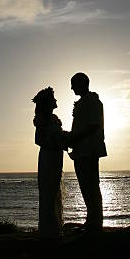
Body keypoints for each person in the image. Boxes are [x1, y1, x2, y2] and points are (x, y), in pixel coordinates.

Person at [69, 72, 107, 231]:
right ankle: (92, 219)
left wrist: (75, 138)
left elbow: (93, 125)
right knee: (86, 185)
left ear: (82, 84)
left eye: (73, 84)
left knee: (90, 185)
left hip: (88, 149)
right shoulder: (86, 101)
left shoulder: (92, 101)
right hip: (82, 149)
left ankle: (95, 221)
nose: (71, 88)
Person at [32, 86, 68, 239]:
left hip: (55, 156)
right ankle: (49, 229)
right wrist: (56, 144)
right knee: (48, 191)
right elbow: (38, 140)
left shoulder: (52, 118)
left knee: (53, 191)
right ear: (47, 102)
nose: (56, 100)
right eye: (53, 98)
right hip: (48, 157)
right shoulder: (43, 119)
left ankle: (54, 227)